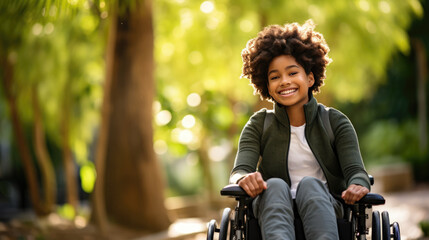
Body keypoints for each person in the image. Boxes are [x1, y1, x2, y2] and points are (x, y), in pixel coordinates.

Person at [230, 20, 371, 240]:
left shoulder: (335, 122)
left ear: (310, 77)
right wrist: (244, 179)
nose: (284, 82)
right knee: (275, 185)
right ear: (267, 86)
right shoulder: (258, 124)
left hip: (326, 205)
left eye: (292, 73)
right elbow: (240, 170)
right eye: (275, 77)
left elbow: (356, 171)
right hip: (270, 207)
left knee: (311, 185)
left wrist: (357, 185)